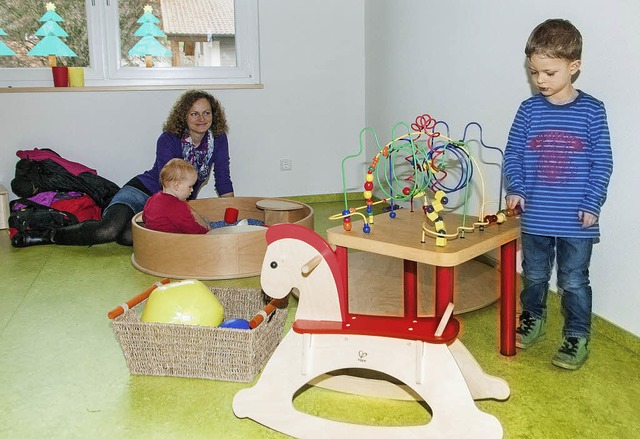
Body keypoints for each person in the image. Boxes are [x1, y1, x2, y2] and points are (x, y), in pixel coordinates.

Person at [503, 19, 613, 370]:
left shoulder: (592, 111)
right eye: (534, 72)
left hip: (577, 219)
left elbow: (603, 162)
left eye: (549, 72)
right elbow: (514, 154)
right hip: (536, 215)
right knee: (533, 275)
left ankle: (577, 335)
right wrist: (516, 188)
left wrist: (591, 202)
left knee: (574, 280)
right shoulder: (528, 110)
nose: (540, 81)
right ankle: (532, 319)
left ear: (574, 66)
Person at [12, 89, 234, 247]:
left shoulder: (218, 139)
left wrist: (233, 212)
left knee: (127, 238)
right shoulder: (168, 138)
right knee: (106, 231)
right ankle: (48, 236)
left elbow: (222, 176)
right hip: (144, 193)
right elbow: (168, 182)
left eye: (206, 112)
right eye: (194, 113)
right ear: (184, 116)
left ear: (214, 115)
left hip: (172, 201)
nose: (201, 118)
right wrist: (191, 214)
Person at [142, 159, 210, 234]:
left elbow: (145, 218)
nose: (192, 190)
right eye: (190, 186)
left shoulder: (153, 198)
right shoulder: (178, 206)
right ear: (176, 186)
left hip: (149, 240)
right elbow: (192, 229)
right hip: (169, 242)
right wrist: (206, 232)